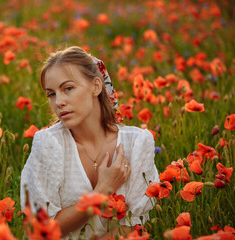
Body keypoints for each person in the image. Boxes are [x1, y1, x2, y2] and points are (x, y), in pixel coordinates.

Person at [20, 46, 159, 239]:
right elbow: (42, 231)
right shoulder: (49, 145)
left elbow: (134, 226)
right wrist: (102, 191)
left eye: (67, 88)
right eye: (51, 94)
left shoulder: (136, 144)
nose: (58, 102)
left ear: (96, 86)